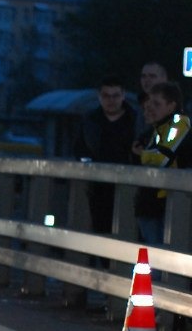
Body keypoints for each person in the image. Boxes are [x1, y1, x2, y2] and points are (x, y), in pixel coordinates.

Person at [75, 76, 137, 234]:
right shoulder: (90, 121)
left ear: (123, 95)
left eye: (115, 95)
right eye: (106, 96)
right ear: (99, 97)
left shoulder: (136, 120)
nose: (111, 100)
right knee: (100, 229)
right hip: (98, 187)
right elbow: (79, 148)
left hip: (130, 184)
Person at [133, 81, 190, 246]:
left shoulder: (179, 123)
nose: (150, 108)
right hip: (151, 202)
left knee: (162, 256)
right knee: (152, 255)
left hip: (170, 203)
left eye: (156, 104)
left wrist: (142, 154)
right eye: (149, 103)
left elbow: (163, 157)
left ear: (171, 106)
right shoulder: (157, 128)